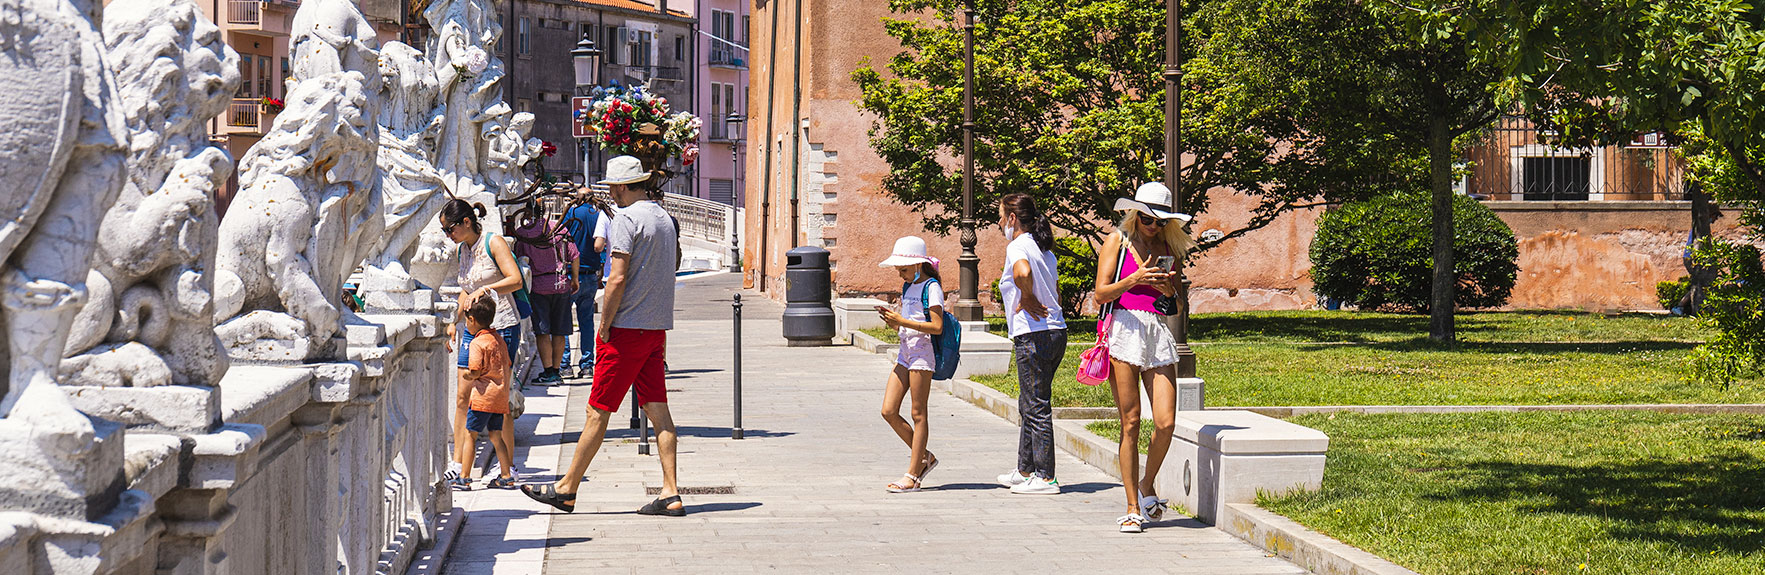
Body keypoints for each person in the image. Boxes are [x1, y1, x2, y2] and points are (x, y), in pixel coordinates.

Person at [522, 156, 685, 516]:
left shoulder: (626, 219)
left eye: (613, 187)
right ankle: (671, 491)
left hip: (626, 329)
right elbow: (673, 265)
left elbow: (617, 276)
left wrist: (605, 324)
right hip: (656, 329)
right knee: (659, 411)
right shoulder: (664, 218)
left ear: (624, 186)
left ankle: (566, 489)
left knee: (597, 410)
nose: (610, 194)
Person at [1092, 182, 1194, 533]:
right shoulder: (1116, 242)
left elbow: (1177, 306)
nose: (1153, 227)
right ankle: (1133, 506)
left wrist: (1169, 290)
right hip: (1124, 329)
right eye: (1148, 219)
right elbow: (1100, 293)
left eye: (1160, 222)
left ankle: (1147, 483)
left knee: (1166, 423)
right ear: (1136, 214)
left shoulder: (1170, 248)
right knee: (1131, 422)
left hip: (1157, 332)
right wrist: (1133, 279)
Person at [441, 199, 524, 486]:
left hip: (501, 327)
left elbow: (516, 280)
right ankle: (458, 465)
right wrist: (454, 320)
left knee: (498, 398)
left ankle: (508, 469)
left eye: (449, 229)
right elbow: (465, 291)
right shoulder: (461, 249)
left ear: (466, 222)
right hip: (471, 330)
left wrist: (488, 288)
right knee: (464, 396)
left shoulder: (494, 242)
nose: (448, 235)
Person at [994, 194, 1067, 495]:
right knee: (1030, 402)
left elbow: (1022, 273)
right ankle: (1025, 469)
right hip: (1055, 331)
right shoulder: (1045, 250)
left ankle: (1046, 477)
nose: (999, 224)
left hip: (1033, 335)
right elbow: (1058, 294)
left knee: (1036, 405)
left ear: (1012, 218)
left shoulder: (1017, 246)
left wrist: (1026, 296)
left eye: (1000, 217)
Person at [875, 236, 944, 493]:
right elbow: (908, 320)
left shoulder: (932, 287)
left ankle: (913, 475)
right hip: (905, 351)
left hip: (922, 354)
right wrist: (893, 321)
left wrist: (902, 322)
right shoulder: (908, 288)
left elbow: (937, 326)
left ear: (917, 265)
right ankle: (925, 457)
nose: (900, 274)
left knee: (918, 413)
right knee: (888, 410)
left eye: (903, 269)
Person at [513, 212, 579, 384]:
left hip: (539, 285)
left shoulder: (523, 233)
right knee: (560, 331)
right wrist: (576, 278)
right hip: (560, 282)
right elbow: (574, 254)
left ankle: (548, 371)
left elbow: (520, 260)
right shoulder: (557, 228)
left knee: (543, 331)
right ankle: (557, 371)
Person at [459, 296, 516, 489]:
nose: (466, 324)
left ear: (472, 320)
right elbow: (506, 364)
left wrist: (467, 376)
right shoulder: (498, 339)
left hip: (483, 398)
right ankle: (507, 475)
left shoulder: (477, 343)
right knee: (496, 436)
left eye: (467, 320)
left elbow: (475, 370)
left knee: (470, 434)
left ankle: (464, 477)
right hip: (500, 397)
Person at [561, 194, 609, 378]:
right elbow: (601, 245)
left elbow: (560, 237)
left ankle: (565, 365)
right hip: (590, 274)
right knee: (587, 321)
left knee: (564, 321)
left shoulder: (570, 213)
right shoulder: (598, 216)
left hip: (570, 273)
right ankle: (587, 364)